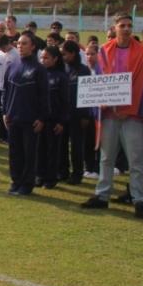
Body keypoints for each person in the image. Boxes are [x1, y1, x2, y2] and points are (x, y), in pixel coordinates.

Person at [82, 14, 143, 219]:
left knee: (136, 160)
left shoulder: (142, 52)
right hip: (109, 114)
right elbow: (99, 82)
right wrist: (107, 105)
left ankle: (140, 199)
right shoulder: (104, 51)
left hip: (133, 115)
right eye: (122, 25)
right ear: (114, 27)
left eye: (129, 25)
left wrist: (126, 108)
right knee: (106, 158)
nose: (126, 28)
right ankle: (102, 195)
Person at [4, 33, 49, 196]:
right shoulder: (12, 66)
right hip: (13, 117)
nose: (20, 46)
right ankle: (15, 181)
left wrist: (42, 118)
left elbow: (44, 96)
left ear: (33, 47)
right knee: (15, 152)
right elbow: (6, 91)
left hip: (31, 119)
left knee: (29, 153)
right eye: (19, 44)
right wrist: (5, 112)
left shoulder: (39, 69)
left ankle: (27, 184)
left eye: (24, 44)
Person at [37, 46, 68, 189]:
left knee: (52, 150)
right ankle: (40, 175)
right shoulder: (39, 74)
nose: (43, 60)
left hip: (54, 120)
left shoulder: (61, 76)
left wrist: (61, 121)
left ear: (55, 59)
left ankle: (51, 178)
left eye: (46, 58)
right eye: (42, 57)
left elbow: (65, 101)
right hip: (40, 119)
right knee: (39, 148)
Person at [60, 40, 91, 185]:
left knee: (77, 146)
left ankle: (77, 173)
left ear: (72, 54)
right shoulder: (62, 68)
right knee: (62, 144)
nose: (62, 57)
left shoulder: (84, 70)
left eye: (64, 54)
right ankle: (63, 171)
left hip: (78, 115)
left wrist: (85, 115)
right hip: (63, 114)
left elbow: (87, 95)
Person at [0, 35, 14, 143]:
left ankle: (8, 135)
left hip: (10, 88)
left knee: (8, 112)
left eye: (2, 47)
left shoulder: (16, 54)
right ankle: (1, 134)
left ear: (7, 44)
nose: (1, 50)